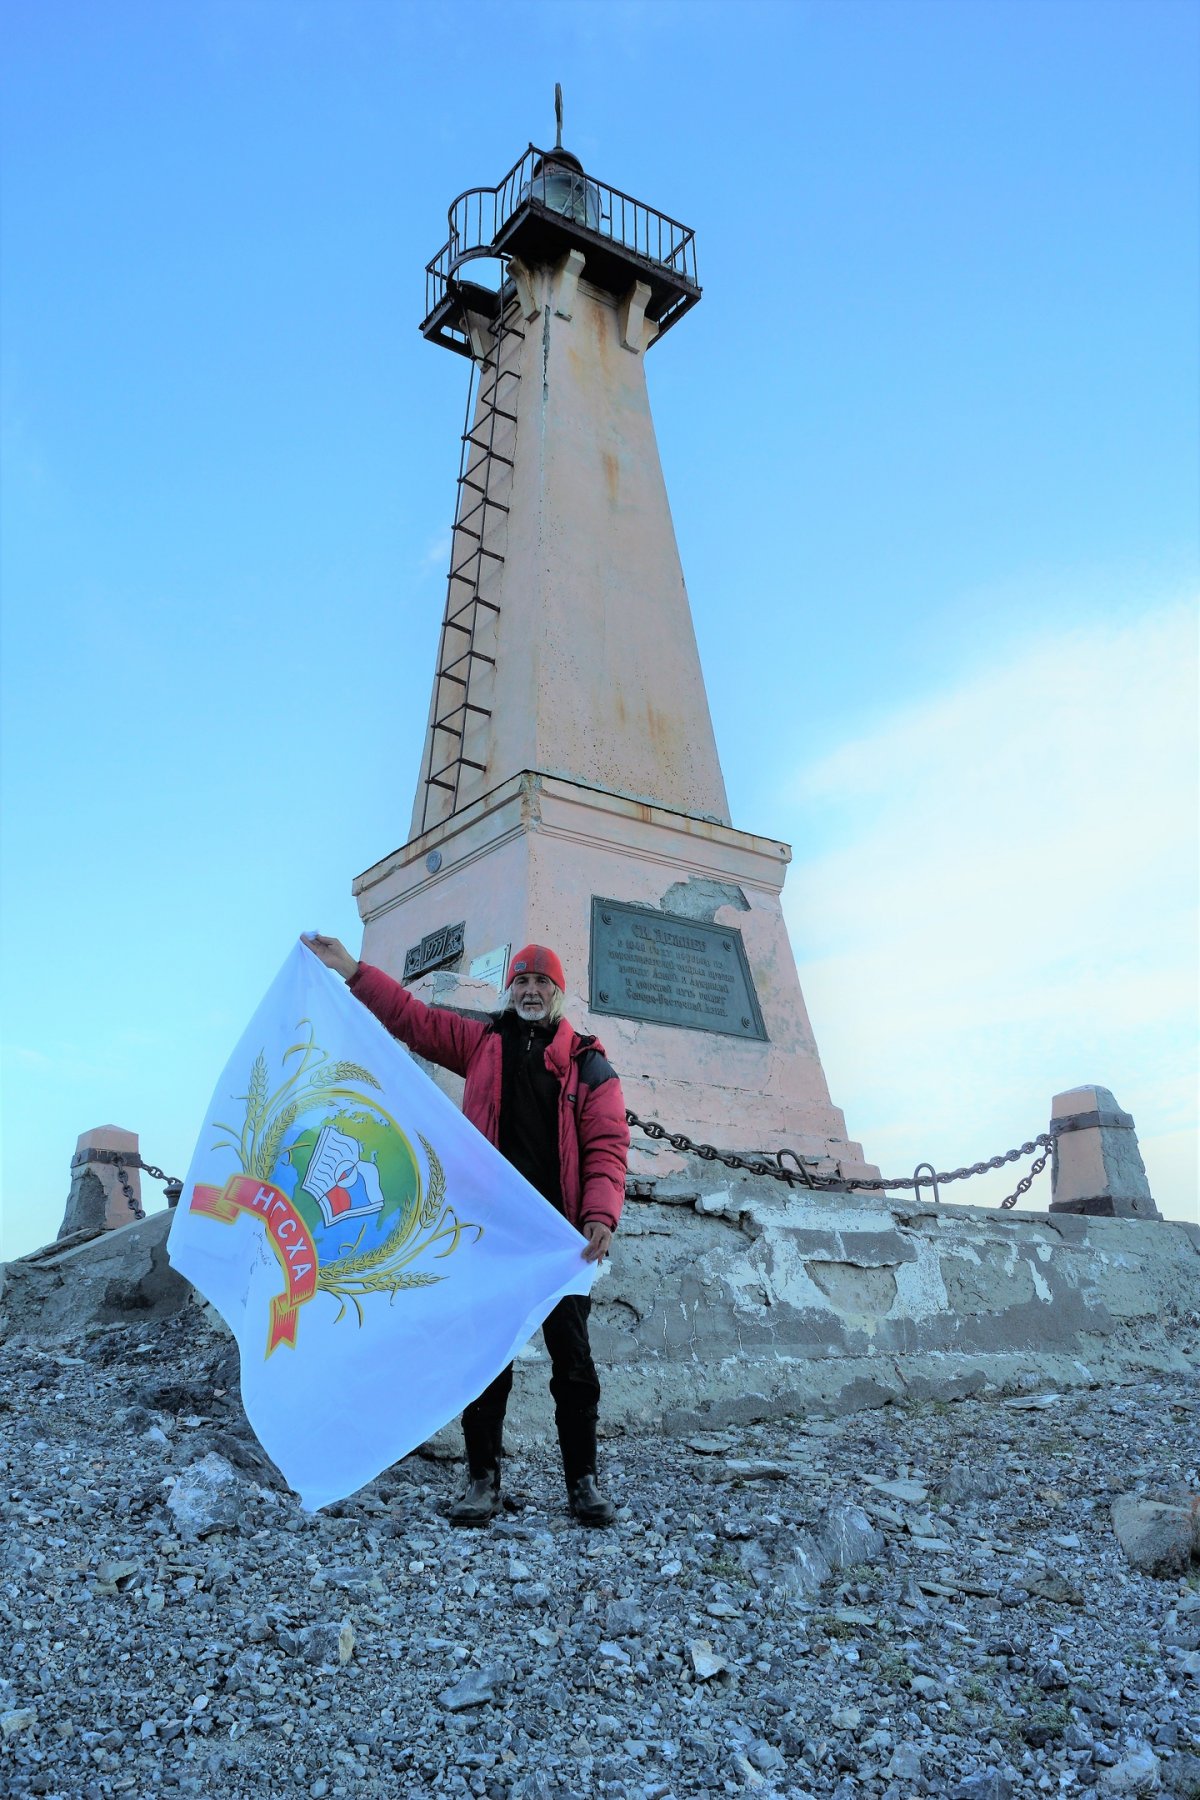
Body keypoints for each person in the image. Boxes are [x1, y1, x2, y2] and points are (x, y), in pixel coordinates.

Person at [300, 933, 629, 1527]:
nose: (531, 991)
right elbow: (412, 1019)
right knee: (484, 1361)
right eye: (522, 982)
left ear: (558, 993)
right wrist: (351, 970)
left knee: (574, 1366)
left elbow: (606, 1146)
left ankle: (583, 1482)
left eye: (542, 983)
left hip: (560, 1243)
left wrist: (600, 1216)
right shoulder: (483, 1044)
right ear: (512, 990)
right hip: (493, 1237)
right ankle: (482, 1480)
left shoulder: (589, 1064)